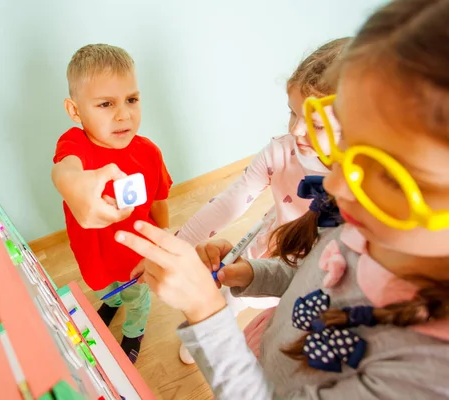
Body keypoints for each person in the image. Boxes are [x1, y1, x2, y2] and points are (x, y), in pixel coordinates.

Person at [115, 0, 449, 397]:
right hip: (274, 331)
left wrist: (207, 315)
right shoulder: (357, 219)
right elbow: (317, 281)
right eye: (346, 146)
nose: (336, 187)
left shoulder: (424, 372)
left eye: (390, 178)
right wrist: (251, 275)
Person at [176, 37, 349, 364]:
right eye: (292, 114)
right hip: (267, 244)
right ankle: (209, 331)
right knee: (233, 293)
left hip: (307, 273)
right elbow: (232, 200)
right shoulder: (282, 151)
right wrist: (180, 244)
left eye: (313, 123)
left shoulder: (358, 193)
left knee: (273, 314)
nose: (296, 131)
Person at [52, 44, 173, 363]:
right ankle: (113, 300)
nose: (124, 114)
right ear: (75, 111)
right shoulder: (75, 145)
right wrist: (70, 183)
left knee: (137, 297)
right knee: (107, 286)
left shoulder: (149, 152)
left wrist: (164, 242)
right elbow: (65, 169)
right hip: (95, 254)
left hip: (134, 258)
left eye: (131, 99)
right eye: (106, 104)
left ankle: (134, 332)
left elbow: (159, 200)